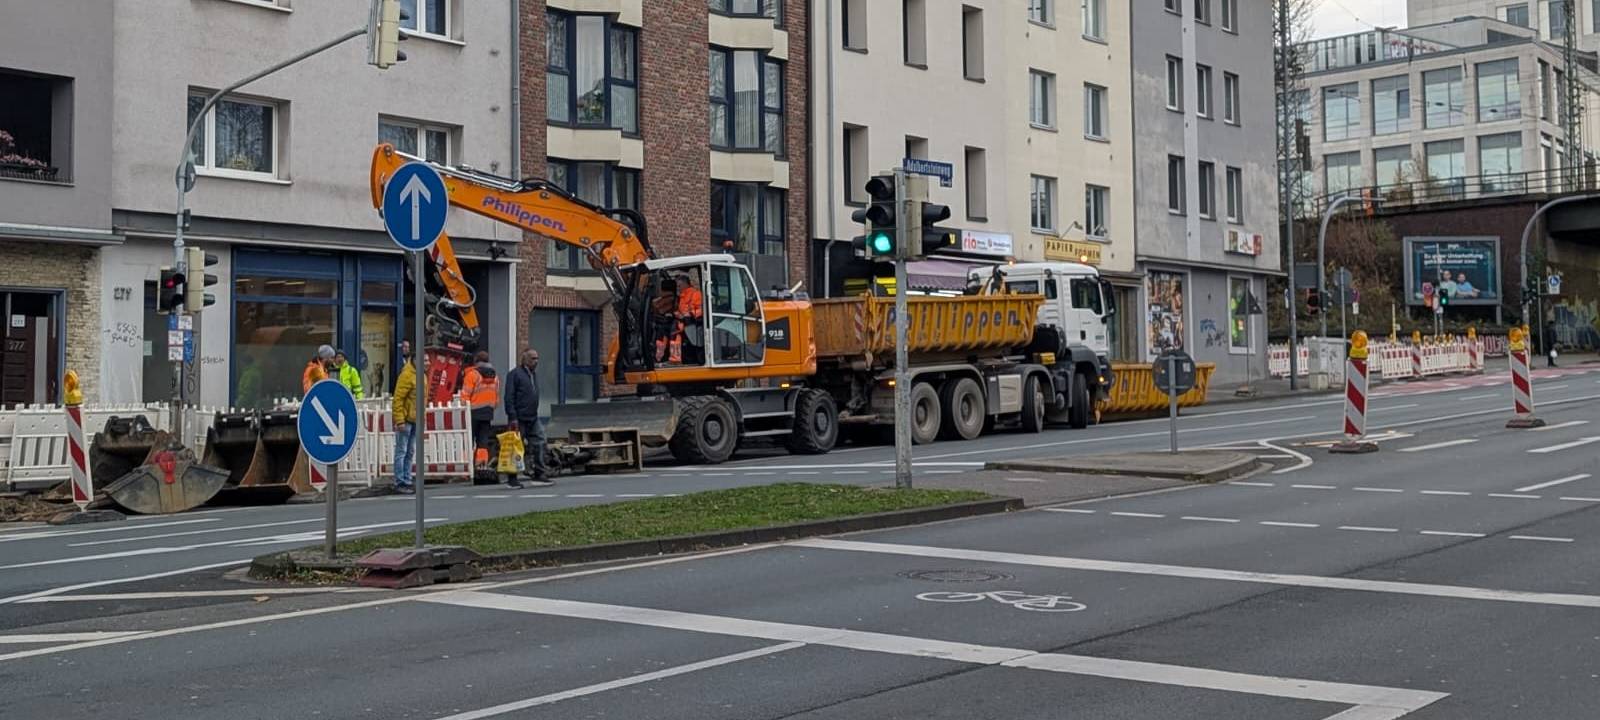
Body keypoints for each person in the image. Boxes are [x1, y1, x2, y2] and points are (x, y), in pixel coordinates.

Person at [503, 348, 551, 488]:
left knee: (540, 441)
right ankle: (512, 478)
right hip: (518, 417)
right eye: (532, 358)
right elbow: (509, 396)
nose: (536, 361)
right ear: (524, 359)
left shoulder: (533, 374)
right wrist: (512, 416)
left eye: (537, 358)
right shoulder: (515, 374)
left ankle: (539, 473)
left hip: (532, 416)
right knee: (516, 447)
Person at [459, 350, 499, 466]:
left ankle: (467, 466)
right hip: (488, 412)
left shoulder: (472, 375)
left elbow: (465, 394)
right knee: (483, 441)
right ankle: (481, 465)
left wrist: (463, 408)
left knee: (469, 440)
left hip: (472, 411)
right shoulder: (495, 376)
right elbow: (496, 396)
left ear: (476, 361)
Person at [391, 342, 418, 494]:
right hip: (406, 420)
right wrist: (399, 420)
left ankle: (407, 479)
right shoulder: (407, 375)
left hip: (414, 420)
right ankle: (400, 481)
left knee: (409, 451)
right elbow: (398, 398)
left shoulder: (420, 375)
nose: (426, 363)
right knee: (402, 451)